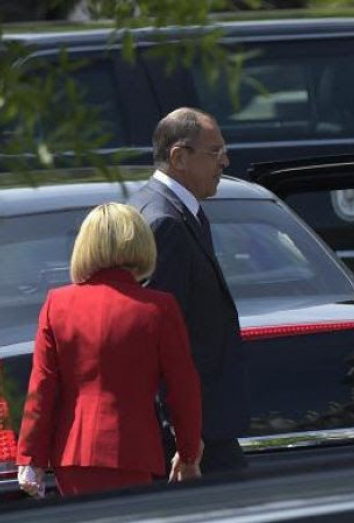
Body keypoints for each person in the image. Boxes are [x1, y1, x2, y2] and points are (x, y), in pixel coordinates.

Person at [16, 203, 203, 498]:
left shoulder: (57, 304)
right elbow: (183, 388)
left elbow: (42, 387)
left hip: (73, 452)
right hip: (133, 450)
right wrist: (189, 453)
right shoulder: (158, 308)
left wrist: (31, 458)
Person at [130, 107, 249, 475]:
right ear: (179, 157)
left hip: (203, 421)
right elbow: (158, 338)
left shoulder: (173, 209)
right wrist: (183, 435)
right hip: (194, 433)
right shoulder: (164, 221)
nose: (225, 162)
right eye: (215, 152)